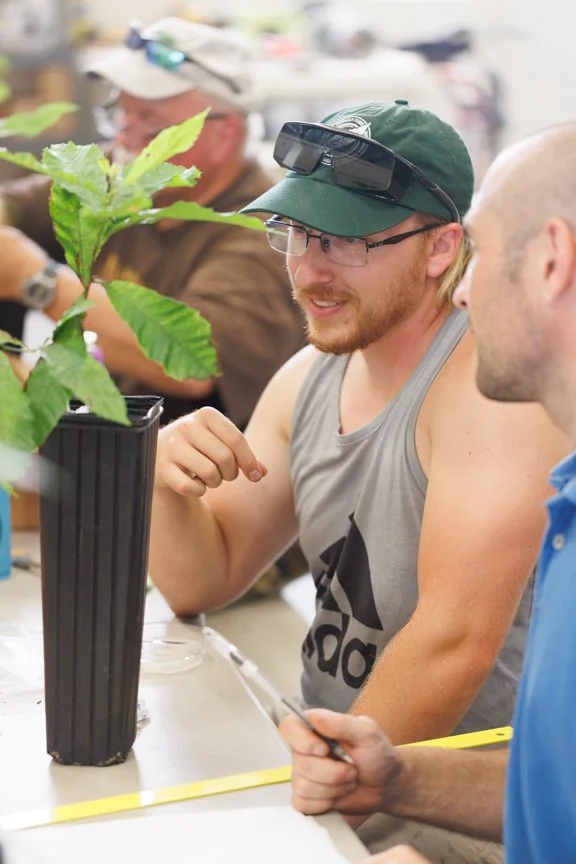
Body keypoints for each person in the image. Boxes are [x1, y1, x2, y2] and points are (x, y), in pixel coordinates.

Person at [150, 100, 565, 745]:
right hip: (339, 759)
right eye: (298, 233)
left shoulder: (485, 389)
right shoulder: (309, 376)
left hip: (449, 812)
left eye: (346, 242)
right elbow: (206, 576)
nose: (311, 270)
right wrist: (163, 474)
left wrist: (330, 798)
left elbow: (452, 643)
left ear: (441, 249)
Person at [279, 122, 576, 864]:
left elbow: (452, 645)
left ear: (551, 262)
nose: (465, 292)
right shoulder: (568, 503)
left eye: (482, 253)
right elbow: (555, 786)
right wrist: (398, 778)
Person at [0, 17, 304, 427]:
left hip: (188, 473)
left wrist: (38, 280)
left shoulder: (260, 235)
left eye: (149, 122)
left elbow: (192, 363)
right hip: (101, 431)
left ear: (223, 135)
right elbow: (15, 207)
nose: (123, 139)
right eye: (120, 115)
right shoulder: (125, 173)